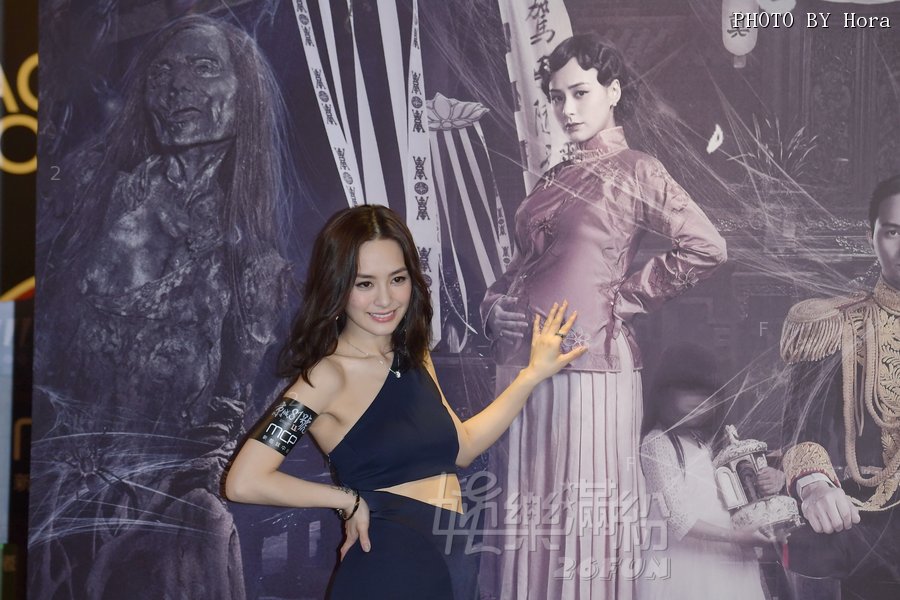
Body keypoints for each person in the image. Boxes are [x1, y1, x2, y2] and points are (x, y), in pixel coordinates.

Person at [31, 15, 291, 600]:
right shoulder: (89, 193)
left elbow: (243, 411)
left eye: (203, 68)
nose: (177, 87)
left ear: (243, 94)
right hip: (51, 502)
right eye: (163, 71)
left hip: (156, 519)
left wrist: (196, 490)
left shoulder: (254, 264)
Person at [225, 204, 588, 600]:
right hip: (389, 570)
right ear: (337, 285)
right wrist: (345, 501)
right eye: (365, 283)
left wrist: (531, 375)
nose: (385, 299)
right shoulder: (327, 376)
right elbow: (244, 481)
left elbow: (463, 447)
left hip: (453, 560)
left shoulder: (415, 356)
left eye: (397, 279)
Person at [479, 34, 727, 599]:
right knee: (528, 512)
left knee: (581, 514)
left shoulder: (638, 170)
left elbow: (707, 246)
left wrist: (624, 297)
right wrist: (493, 309)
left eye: (580, 93)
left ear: (613, 92)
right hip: (521, 370)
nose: (566, 109)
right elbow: (520, 268)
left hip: (589, 368)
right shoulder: (551, 178)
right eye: (556, 97)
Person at [779, 175, 900, 599]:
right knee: (814, 546)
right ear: (872, 238)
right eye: (893, 231)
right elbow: (803, 429)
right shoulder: (833, 325)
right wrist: (815, 486)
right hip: (863, 518)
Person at [639, 342, 778, 599]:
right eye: (691, 391)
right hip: (686, 563)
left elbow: (728, 496)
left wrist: (766, 481)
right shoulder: (658, 442)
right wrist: (737, 537)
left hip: (725, 552)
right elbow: (678, 519)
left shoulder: (705, 442)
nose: (701, 402)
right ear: (664, 392)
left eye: (709, 395)